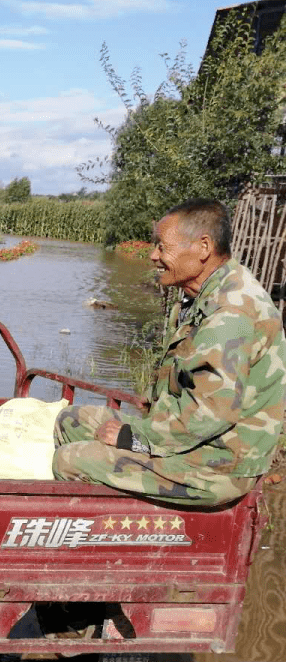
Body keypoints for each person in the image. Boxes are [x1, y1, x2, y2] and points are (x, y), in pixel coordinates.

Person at [54, 199, 286, 505]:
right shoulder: (207, 291)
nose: (153, 256)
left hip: (219, 464)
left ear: (203, 247)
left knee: (69, 459)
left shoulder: (231, 314)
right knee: (71, 420)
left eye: (163, 247)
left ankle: (104, 541)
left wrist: (134, 439)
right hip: (195, 441)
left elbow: (210, 413)